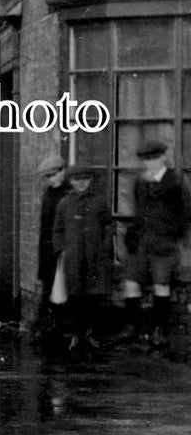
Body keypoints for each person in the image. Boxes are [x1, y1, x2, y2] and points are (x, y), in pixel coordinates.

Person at [122, 139, 191, 350]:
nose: (150, 163)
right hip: (141, 242)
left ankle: (159, 332)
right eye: (146, 160)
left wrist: (170, 235)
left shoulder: (176, 182)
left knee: (162, 284)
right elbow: (138, 211)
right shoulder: (140, 183)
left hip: (164, 243)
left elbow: (186, 213)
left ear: (163, 157)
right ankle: (134, 329)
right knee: (131, 284)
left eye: (154, 158)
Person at [51, 166, 113, 356]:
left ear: (90, 180)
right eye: (77, 179)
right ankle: (76, 334)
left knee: (93, 296)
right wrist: (61, 250)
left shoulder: (99, 202)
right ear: (70, 181)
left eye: (85, 179)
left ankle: (90, 333)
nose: (81, 182)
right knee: (75, 296)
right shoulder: (65, 203)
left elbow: (108, 226)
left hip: (95, 257)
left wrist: (105, 248)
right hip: (73, 257)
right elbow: (58, 230)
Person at [35, 154, 70, 341]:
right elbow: (44, 228)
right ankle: (48, 327)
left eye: (55, 174)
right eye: (49, 176)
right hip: (49, 250)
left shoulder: (69, 194)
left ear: (63, 172)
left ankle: (58, 327)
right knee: (49, 289)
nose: (52, 179)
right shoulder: (49, 195)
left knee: (63, 290)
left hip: (65, 249)